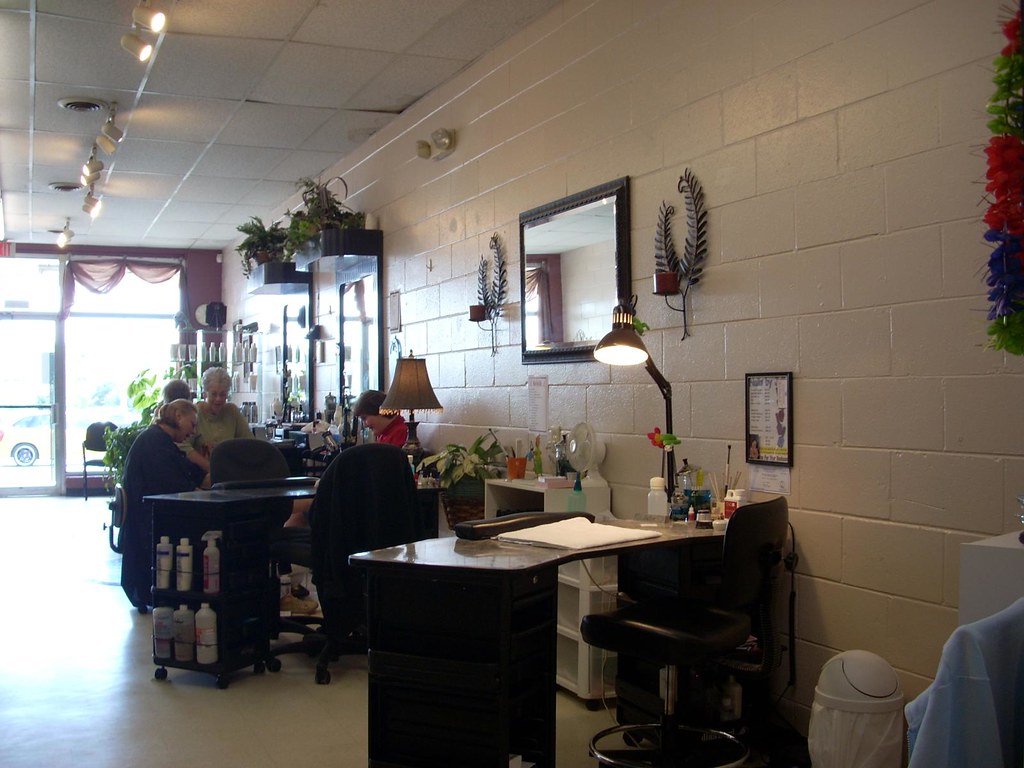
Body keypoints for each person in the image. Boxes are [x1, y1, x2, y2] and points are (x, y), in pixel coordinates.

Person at [121, 399, 210, 612]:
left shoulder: (159, 442)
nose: (193, 432)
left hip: (148, 519)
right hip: (150, 525)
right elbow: (179, 490)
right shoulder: (156, 445)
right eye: (192, 423)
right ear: (178, 416)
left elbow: (191, 474)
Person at [189, 366, 254, 472]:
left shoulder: (232, 411)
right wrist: (211, 468)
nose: (218, 399)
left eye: (223, 394)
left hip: (229, 473)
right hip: (201, 474)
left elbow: (249, 443)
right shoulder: (195, 414)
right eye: (214, 394)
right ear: (205, 394)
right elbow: (184, 448)